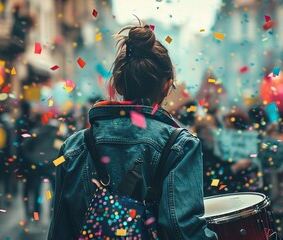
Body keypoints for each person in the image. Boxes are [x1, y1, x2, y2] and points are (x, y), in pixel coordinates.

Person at [48, 23, 217, 239]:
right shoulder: (181, 146)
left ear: (117, 85)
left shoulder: (72, 147)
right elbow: (184, 231)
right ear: (167, 87)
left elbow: (60, 232)